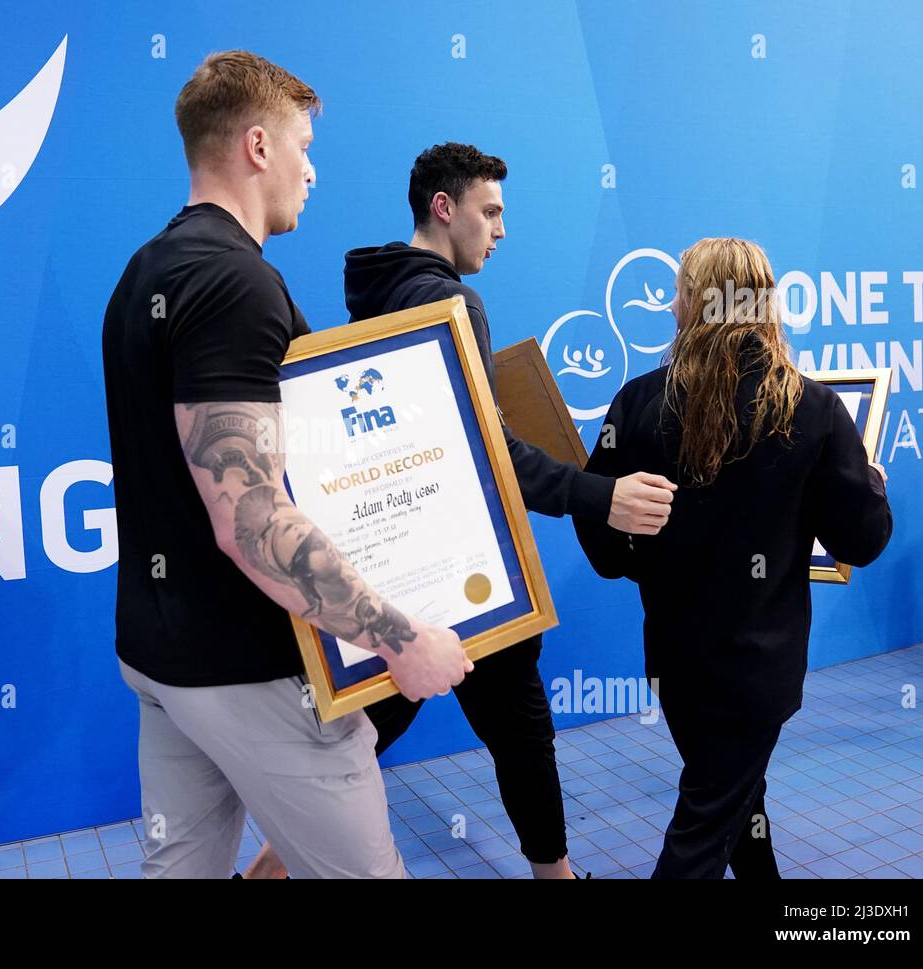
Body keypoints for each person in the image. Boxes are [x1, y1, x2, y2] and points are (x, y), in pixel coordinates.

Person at [243, 142, 678, 880]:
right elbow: (482, 449)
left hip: (394, 558)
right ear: (444, 208)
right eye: (491, 210)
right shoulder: (449, 302)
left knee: (384, 718)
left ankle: (262, 874)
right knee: (516, 724)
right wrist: (597, 493)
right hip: (458, 556)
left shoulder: (376, 293)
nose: (500, 230)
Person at [101, 52, 472, 879]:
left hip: (163, 658)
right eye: (304, 145)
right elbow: (249, 519)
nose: (313, 169)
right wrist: (400, 637)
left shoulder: (146, 270)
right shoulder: (236, 282)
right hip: (249, 665)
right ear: (259, 146)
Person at [573, 237, 893, 878]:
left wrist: (659, 559)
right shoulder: (813, 408)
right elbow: (862, 540)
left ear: (692, 301)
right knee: (705, 827)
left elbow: (605, 545)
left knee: (734, 796)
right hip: (759, 669)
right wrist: (872, 484)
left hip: (675, 660)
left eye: (679, 293)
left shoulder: (635, 403)